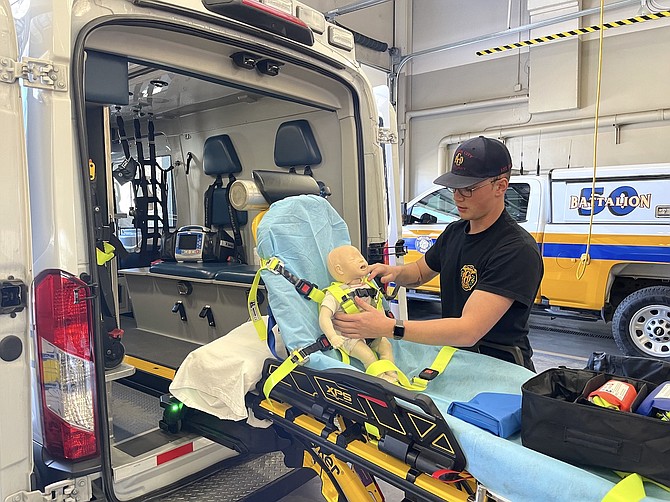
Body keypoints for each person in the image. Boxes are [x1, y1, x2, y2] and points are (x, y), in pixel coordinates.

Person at [332, 136, 543, 371]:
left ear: (500, 186)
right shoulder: (455, 232)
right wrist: (392, 272)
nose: (457, 197)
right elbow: (420, 272)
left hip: (499, 366)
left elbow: (468, 330)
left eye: (469, 189)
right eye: (454, 188)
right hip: (456, 356)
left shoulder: (515, 250)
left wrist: (389, 327)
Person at [319, 245, 397, 382]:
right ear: (339, 270)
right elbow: (324, 317)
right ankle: (380, 379)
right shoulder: (335, 294)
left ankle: (391, 374)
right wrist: (332, 337)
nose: (360, 260)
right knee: (367, 355)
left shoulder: (369, 285)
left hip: (371, 332)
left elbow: (377, 308)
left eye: (360, 256)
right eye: (353, 259)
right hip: (349, 337)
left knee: (386, 346)